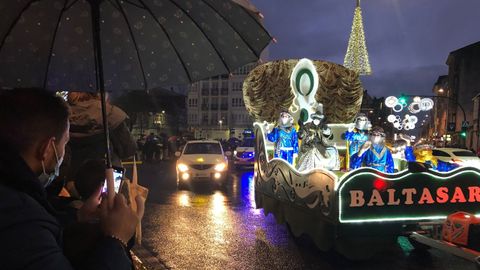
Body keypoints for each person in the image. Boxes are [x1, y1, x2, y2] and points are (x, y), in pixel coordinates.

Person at [0, 89, 142, 269]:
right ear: (47, 149)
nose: (64, 152)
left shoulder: (18, 194)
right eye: (65, 143)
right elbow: (129, 148)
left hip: (70, 185)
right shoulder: (21, 220)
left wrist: (78, 216)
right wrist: (117, 239)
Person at [66, 92, 136, 180]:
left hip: (70, 180)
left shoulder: (63, 114)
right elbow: (129, 150)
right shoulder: (110, 114)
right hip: (107, 182)